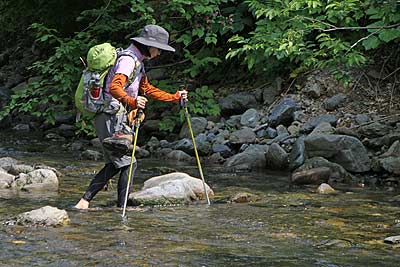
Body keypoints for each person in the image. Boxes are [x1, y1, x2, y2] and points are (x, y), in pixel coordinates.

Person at [74, 25, 187, 209]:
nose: (159, 53)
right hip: (110, 115)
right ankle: (122, 208)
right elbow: (114, 87)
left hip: (113, 115)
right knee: (128, 162)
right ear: (148, 46)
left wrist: (173, 97)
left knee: (115, 163)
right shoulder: (128, 60)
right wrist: (132, 103)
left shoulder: (137, 61)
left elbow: (146, 89)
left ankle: (84, 202)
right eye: (158, 49)